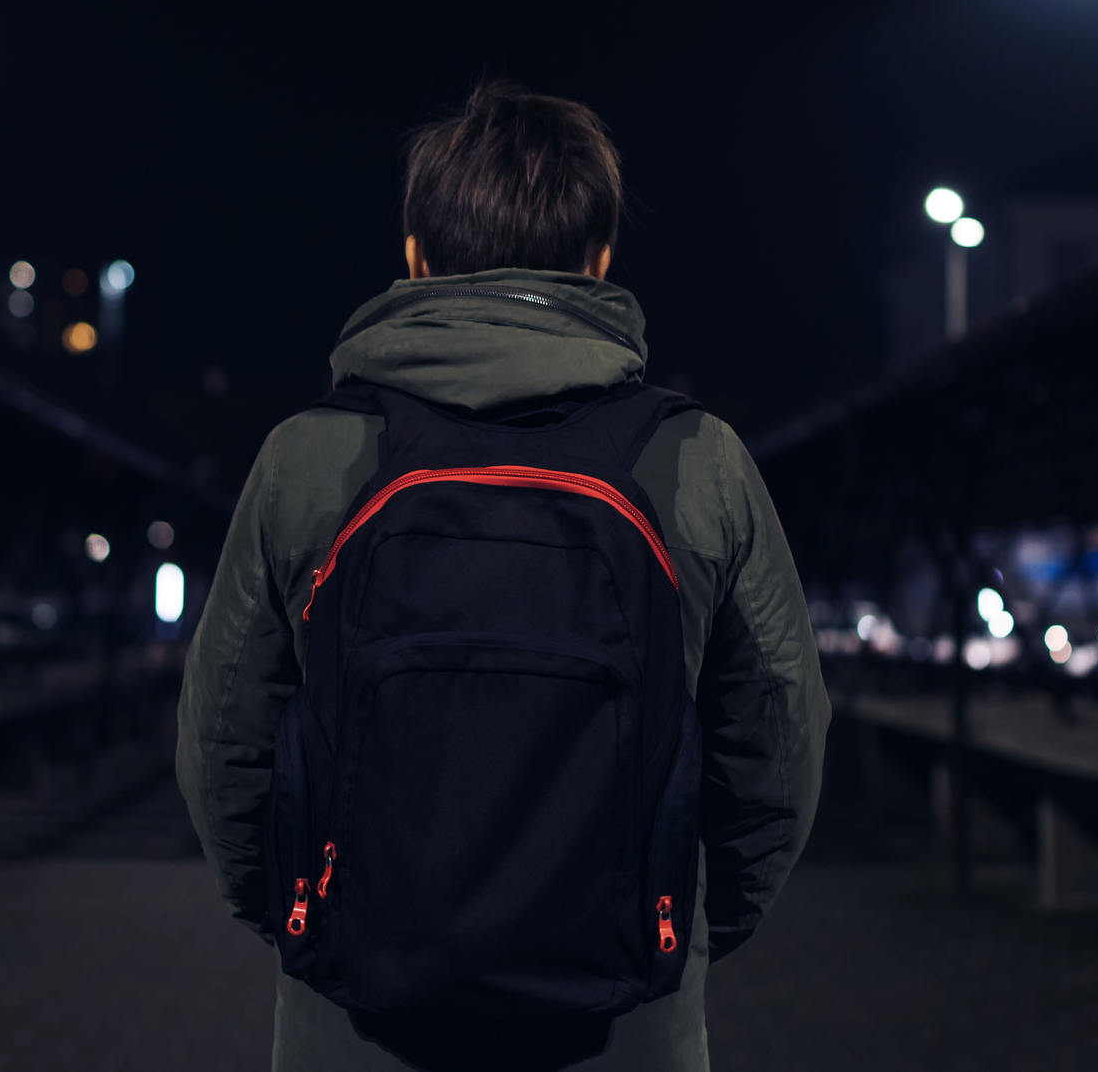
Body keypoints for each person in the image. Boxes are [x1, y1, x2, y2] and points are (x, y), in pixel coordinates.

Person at [177, 80, 828, 1071]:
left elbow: (223, 732)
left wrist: (297, 914)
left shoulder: (309, 458)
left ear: (415, 256)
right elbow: (780, 730)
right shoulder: (696, 458)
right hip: (624, 1017)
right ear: (601, 259)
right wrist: (689, 925)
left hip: (352, 1012)